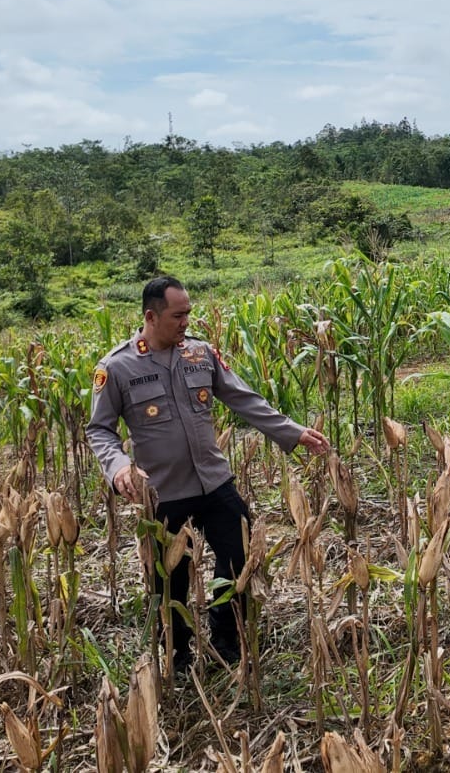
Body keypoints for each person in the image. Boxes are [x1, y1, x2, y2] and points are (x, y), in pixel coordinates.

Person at [87, 275, 330, 671]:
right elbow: (99, 430)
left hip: (214, 482)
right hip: (164, 493)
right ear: (151, 316)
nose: (186, 322)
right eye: (177, 315)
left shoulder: (200, 354)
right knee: (170, 580)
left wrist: (293, 432)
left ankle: (226, 640)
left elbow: (243, 399)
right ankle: (177, 655)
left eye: (188, 313)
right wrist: (117, 470)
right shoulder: (117, 367)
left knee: (240, 557)